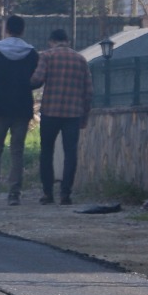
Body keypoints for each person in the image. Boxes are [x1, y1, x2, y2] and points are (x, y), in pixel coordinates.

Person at [0, 14, 39, 206]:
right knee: (17, 151)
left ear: (6, 29)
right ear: (22, 30)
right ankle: (14, 193)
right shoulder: (31, 52)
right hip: (22, 107)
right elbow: (36, 79)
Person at [31, 27, 94, 205]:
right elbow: (89, 91)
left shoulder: (47, 56)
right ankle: (65, 193)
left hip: (50, 111)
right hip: (73, 114)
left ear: (52, 41)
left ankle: (47, 193)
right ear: (67, 41)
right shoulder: (81, 59)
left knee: (46, 152)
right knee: (70, 153)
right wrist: (85, 116)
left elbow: (37, 79)